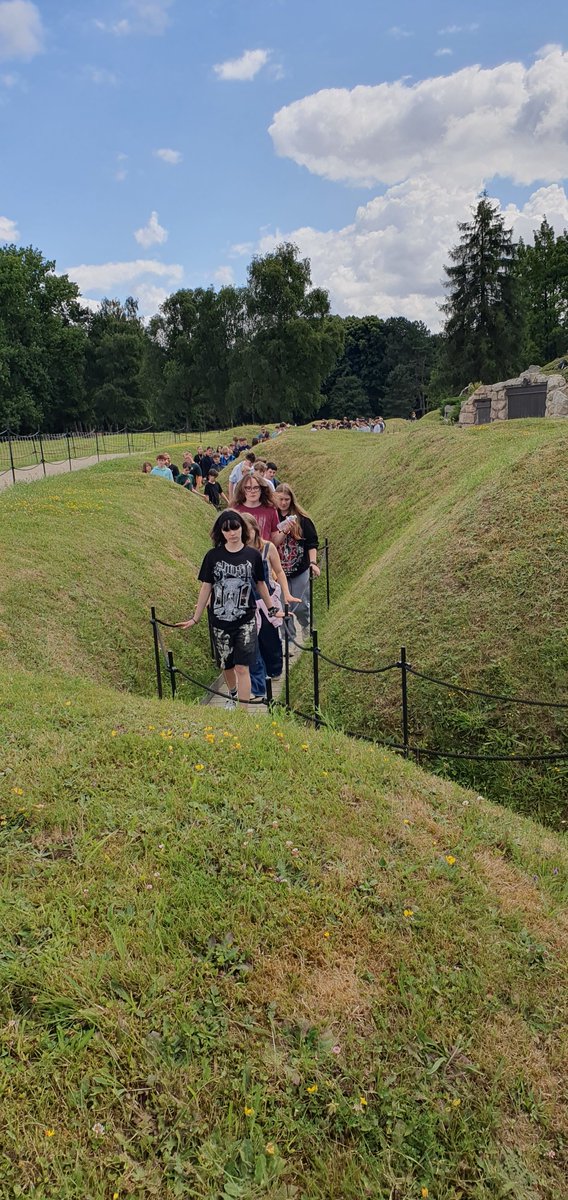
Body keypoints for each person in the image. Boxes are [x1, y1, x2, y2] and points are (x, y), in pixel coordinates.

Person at [175, 510, 282, 710]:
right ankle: (232, 693)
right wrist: (195, 617)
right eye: (227, 530)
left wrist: (272, 608)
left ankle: (243, 713)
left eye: (235, 528)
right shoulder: (213, 556)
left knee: (243, 666)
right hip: (220, 620)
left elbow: (261, 584)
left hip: (246, 619)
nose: (232, 533)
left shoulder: (252, 555)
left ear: (242, 528)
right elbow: (206, 586)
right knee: (227, 664)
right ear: (220, 532)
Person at [241, 514, 300, 699]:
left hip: (267, 601)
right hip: (246, 603)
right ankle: (256, 684)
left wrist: (287, 593)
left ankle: (274, 670)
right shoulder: (237, 551)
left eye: (248, 530)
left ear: (255, 529)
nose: (246, 535)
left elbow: (279, 571)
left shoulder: (267, 547)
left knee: (270, 638)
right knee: (251, 643)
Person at [274, 483, 319, 633]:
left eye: (286, 499)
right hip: (278, 570)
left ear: (291, 499)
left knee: (300, 605)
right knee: (283, 607)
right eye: (280, 499)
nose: (283, 503)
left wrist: (313, 562)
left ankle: (307, 625)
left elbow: (311, 542)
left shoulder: (302, 519)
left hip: (299, 569)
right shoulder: (272, 518)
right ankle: (289, 640)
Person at [233, 472, 284, 545]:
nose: (252, 491)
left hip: (263, 553)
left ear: (261, 489)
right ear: (243, 490)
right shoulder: (235, 510)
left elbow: (274, 541)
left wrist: (285, 531)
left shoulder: (271, 509)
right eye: (248, 488)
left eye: (256, 488)